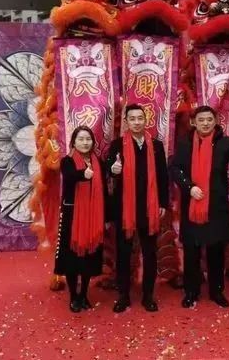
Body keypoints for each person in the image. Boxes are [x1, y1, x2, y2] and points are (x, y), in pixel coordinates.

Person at [169, 106, 229, 308]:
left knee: (216, 251)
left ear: (215, 121)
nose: (206, 123)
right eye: (201, 120)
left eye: (209, 119)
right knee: (191, 252)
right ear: (194, 122)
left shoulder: (223, 142)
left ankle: (217, 292)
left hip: (215, 206)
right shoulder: (185, 143)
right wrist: (189, 187)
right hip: (192, 204)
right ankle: (191, 292)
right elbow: (175, 168)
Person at [106, 104, 170, 313]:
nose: (136, 122)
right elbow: (108, 171)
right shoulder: (117, 145)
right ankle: (123, 295)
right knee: (123, 253)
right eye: (132, 119)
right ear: (126, 122)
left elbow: (163, 176)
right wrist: (113, 170)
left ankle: (148, 295)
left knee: (149, 252)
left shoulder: (156, 146)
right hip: (124, 208)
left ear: (146, 120)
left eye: (140, 118)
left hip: (149, 207)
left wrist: (163, 203)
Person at [55, 126, 108, 313]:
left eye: (88, 139)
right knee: (72, 258)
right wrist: (82, 175)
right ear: (74, 142)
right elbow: (69, 177)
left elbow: (104, 189)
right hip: (72, 216)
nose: (85, 143)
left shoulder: (98, 162)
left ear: (93, 142)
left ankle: (84, 294)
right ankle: (73, 296)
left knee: (88, 258)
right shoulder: (67, 161)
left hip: (94, 216)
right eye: (81, 139)